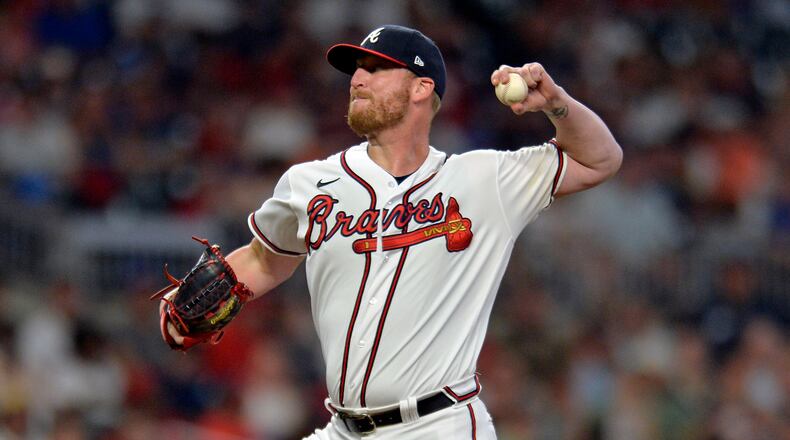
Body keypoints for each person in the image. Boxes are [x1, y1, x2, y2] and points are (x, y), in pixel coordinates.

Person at [162, 24, 622, 439]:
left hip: (438, 425)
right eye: (356, 69)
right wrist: (197, 301)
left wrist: (557, 104)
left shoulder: (485, 180)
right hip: (342, 428)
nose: (358, 79)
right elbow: (264, 259)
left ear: (422, 88)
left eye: (376, 68)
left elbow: (600, 159)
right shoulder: (309, 182)